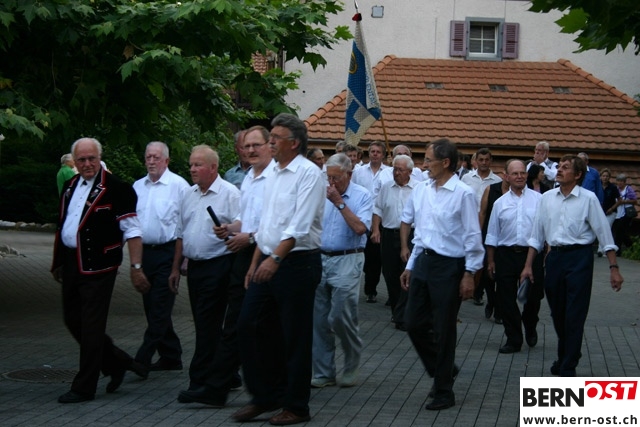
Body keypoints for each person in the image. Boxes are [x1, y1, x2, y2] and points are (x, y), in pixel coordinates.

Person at [233, 113, 325, 425]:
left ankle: (297, 406)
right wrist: (257, 261)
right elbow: (267, 223)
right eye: (270, 136)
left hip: (297, 263)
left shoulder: (309, 174)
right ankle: (264, 396)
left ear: (294, 143)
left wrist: (275, 260)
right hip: (269, 259)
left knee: (294, 337)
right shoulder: (272, 171)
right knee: (248, 324)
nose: (270, 142)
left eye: (275, 137)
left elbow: (299, 226)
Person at [177, 126, 274, 407]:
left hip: (263, 258)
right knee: (234, 326)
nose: (250, 150)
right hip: (240, 259)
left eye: (256, 145)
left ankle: (224, 384)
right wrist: (231, 229)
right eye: (246, 146)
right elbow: (247, 220)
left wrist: (247, 237)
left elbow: (279, 223)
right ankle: (222, 384)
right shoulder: (250, 179)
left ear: (271, 146)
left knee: (246, 326)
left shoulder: (273, 180)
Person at [51, 137, 150, 403]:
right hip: (72, 262)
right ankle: (118, 362)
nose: (87, 164)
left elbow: (133, 230)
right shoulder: (70, 185)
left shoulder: (117, 187)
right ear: (75, 161)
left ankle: (84, 387)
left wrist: (136, 267)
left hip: (100, 266)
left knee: (92, 326)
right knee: (72, 319)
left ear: (100, 158)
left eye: (91, 159)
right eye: (82, 160)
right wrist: (58, 261)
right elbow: (64, 224)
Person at [399, 138, 484, 411]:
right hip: (423, 262)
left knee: (444, 328)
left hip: (450, 267)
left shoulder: (463, 193)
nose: (424, 165)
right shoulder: (422, 190)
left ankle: (444, 390)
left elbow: (472, 236)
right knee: (412, 322)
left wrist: (470, 273)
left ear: (445, 162)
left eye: (428, 160)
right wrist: (411, 265)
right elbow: (420, 233)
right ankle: (444, 369)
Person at [521, 155, 623, 377]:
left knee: (575, 314)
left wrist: (613, 268)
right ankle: (568, 353)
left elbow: (604, 234)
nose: (559, 170)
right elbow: (536, 236)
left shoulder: (588, 199)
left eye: (565, 167)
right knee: (557, 312)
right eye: (559, 166)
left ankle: (568, 366)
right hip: (554, 259)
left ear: (577, 175)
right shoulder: (546, 198)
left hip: (579, 258)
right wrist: (528, 266)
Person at [168, 145, 241, 392]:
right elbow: (180, 233)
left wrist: (230, 230)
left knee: (208, 322)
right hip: (195, 268)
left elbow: (244, 225)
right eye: (191, 164)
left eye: (197, 165)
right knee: (203, 322)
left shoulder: (230, 193)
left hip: (219, 264)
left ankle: (199, 380)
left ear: (213, 167)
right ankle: (228, 373)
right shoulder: (188, 194)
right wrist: (175, 269)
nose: (192, 169)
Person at [312, 153, 372, 388]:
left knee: (340, 316)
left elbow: (360, 228)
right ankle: (323, 372)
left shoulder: (362, 195)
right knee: (319, 320)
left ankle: (351, 363)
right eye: (328, 177)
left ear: (349, 174)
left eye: (336, 177)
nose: (331, 182)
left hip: (348, 257)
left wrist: (339, 202)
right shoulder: (321, 193)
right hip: (320, 258)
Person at [132, 142, 189, 372]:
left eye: (156, 157)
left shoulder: (179, 186)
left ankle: (141, 359)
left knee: (160, 306)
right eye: (148, 157)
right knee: (151, 306)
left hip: (169, 253)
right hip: (145, 253)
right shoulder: (138, 186)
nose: (151, 161)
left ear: (166, 160)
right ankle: (171, 355)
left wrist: (183, 259)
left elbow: (186, 223)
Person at [485, 160, 544, 354]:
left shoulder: (539, 200)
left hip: (532, 254)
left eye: (522, 173)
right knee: (505, 299)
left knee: (534, 297)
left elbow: (544, 229)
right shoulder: (500, 203)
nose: (519, 176)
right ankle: (513, 338)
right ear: (506, 177)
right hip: (506, 255)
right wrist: (491, 260)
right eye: (515, 173)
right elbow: (492, 233)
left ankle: (530, 323)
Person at [372, 154, 417, 330]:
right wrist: (376, 229)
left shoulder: (419, 188)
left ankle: (402, 315)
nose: (396, 173)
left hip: (411, 236)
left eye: (400, 170)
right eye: (394, 169)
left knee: (407, 273)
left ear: (410, 172)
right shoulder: (386, 187)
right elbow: (377, 209)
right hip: (389, 235)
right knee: (390, 274)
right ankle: (397, 311)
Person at [461, 148, 501, 307]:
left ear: (491, 161)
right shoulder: (466, 178)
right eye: (481, 160)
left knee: (485, 259)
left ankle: (479, 291)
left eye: (487, 160)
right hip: (467, 222)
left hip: (488, 224)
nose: (484, 163)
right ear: (475, 161)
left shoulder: (497, 181)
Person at [351, 141, 388, 303]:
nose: (375, 154)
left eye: (378, 152)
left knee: (376, 258)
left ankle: (371, 289)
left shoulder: (388, 173)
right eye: (372, 151)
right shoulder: (358, 172)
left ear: (383, 155)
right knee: (361, 255)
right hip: (362, 219)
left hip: (380, 220)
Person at [477, 178, 510, 324]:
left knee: (503, 275)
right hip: (489, 235)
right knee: (487, 274)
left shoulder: (519, 192)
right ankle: (491, 300)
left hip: (506, 238)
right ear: (505, 175)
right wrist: (478, 235)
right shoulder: (491, 189)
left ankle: (499, 310)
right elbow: (483, 213)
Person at [611, 173, 637, 256]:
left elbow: (635, 201)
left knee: (619, 230)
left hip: (626, 213)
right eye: (618, 181)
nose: (620, 183)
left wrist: (624, 201)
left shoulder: (628, 189)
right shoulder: (616, 190)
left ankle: (618, 250)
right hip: (618, 213)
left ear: (624, 182)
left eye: (621, 181)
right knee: (621, 232)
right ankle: (631, 247)